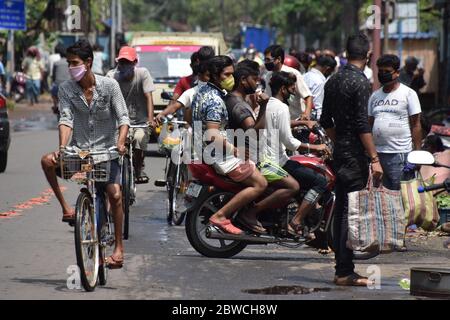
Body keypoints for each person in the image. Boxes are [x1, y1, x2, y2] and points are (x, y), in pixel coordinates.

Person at [41, 39, 130, 269]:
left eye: (75, 63)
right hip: (80, 153)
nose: (71, 68)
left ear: (88, 63)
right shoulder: (66, 89)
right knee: (47, 161)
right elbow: (66, 119)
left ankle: (118, 248)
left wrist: (120, 142)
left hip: (107, 153)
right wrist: (62, 149)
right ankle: (67, 209)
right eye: (69, 63)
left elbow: (123, 118)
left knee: (115, 194)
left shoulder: (109, 86)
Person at [320, 33, 383, 286]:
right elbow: (361, 126)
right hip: (355, 154)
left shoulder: (333, 80)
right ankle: (344, 271)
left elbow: (325, 121)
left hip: (340, 152)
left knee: (343, 208)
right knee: (349, 211)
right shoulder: (361, 83)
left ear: (346, 53)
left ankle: (343, 268)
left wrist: (339, 142)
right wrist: (374, 157)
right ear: (367, 56)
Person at [191, 55, 268, 235]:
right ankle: (221, 215)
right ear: (215, 76)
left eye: (232, 74)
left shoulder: (201, 92)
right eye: (226, 74)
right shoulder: (215, 101)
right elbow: (212, 134)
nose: (231, 78)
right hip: (219, 154)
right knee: (260, 183)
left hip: (204, 151)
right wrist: (236, 149)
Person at [225, 61, 300, 233]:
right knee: (293, 186)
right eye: (254, 79)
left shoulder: (235, 100)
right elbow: (254, 132)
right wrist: (264, 106)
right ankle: (251, 213)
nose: (257, 83)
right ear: (243, 80)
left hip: (250, 155)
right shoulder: (239, 105)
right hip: (253, 160)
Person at [263, 71, 331, 240]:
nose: (294, 89)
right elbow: (289, 142)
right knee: (320, 181)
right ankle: (296, 221)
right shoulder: (282, 107)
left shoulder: (270, 104)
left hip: (270, 157)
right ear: (283, 88)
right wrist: (315, 147)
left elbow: (282, 125)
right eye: (292, 86)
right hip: (276, 161)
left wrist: (303, 122)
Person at [368, 54, 422, 191]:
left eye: (387, 72)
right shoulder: (374, 96)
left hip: (400, 154)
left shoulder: (408, 94)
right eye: (380, 71)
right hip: (378, 156)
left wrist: (417, 153)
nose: (382, 74)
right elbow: (369, 124)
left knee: (401, 197)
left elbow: (416, 125)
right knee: (381, 197)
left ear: (397, 73)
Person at [106, 46, 156, 184]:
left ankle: (139, 168)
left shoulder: (143, 74)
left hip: (140, 121)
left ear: (135, 63)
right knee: (115, 146)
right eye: (121, 63)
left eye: (127, 63)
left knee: (139, 139)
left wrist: (150, 119)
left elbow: (148, 97)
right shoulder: (111, 76)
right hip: (119, 122)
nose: (124, 66)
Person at [156, 46, 215, 125]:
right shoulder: (191, 92)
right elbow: (174, 105)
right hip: (196, 130)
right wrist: (161, 114)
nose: (209, 78)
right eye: (207, 75)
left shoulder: (222, 91)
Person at [263, 45, 314, 121]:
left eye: (268, 60)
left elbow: (308, 96)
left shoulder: (293, 74)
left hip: (295, 121)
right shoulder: (268, 76)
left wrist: (306, 115)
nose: (266, 62)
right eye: (265, 60)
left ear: (278, 59)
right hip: (277, 120)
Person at [303, 55, 337, 120]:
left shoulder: (304, 75)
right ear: (327, 69)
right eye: (330, 72)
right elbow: (318, 108)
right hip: (311, 120)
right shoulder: (320, 82)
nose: (329, 74)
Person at [51, 45, 71, 116]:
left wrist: (53, 81)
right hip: (68, 85)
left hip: (57, 84)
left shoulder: (56, 63)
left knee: (53, 94)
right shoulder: (70, 63)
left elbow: (53, 75)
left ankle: (55, 104)